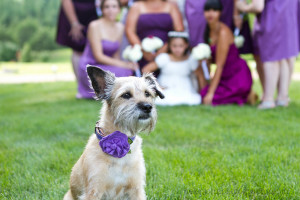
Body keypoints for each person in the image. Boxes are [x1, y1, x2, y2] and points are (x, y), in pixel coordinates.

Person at [237, 0, 299, 109]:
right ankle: (282, 98)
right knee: (284, 56)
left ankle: (268, 99)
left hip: (272, 18)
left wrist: (242, 7)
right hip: (289, 16)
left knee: (270, 58)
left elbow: (258, 6)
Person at [77, 0, 137, 99]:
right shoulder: (94, 25)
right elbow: (98, 56)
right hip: (92, 65)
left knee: (126, 72)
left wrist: (127, 66)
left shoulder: (120, 27)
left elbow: (115, 55)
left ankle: (120, 96)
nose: (110, 10)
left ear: (119, 9)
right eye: (107, 7)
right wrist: (124, 64)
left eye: (114, 7)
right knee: (122, 72)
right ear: (102, 10)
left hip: (108, 64)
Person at [199, 0, 254, 106]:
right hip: (223, 77)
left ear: (220, 13)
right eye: (207, 10)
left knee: (211, 98)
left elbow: (219, 65)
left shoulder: (223, 32)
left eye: (214, 10)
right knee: (203, 94)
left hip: (236, 75)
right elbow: (210, 60)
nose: (210, 14)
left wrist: (211, 93)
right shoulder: (207, 30)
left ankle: (247, 94)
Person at [142, 31, 201, 106]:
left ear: (186, 45)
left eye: (180, 46)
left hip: (184, 88)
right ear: (169, 46)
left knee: (192, 99)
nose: (177, 49)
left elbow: (199, 75)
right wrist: (157, 86)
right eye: (174, 46)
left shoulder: (190, 59)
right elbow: (146, 69)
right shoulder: (164, 58)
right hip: (166, 87)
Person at [126, 0, 184, 72]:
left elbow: (179, 30)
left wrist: (165, 48)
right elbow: (130, 31)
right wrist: (142, 50)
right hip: (142, 55)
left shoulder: (171, 6)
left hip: (168, 52)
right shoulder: (136, 6)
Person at [56, 0, 98, 82]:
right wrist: (74, 23)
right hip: (76, 16)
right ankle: (80, 84)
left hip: (93, 14)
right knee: (78, 49)